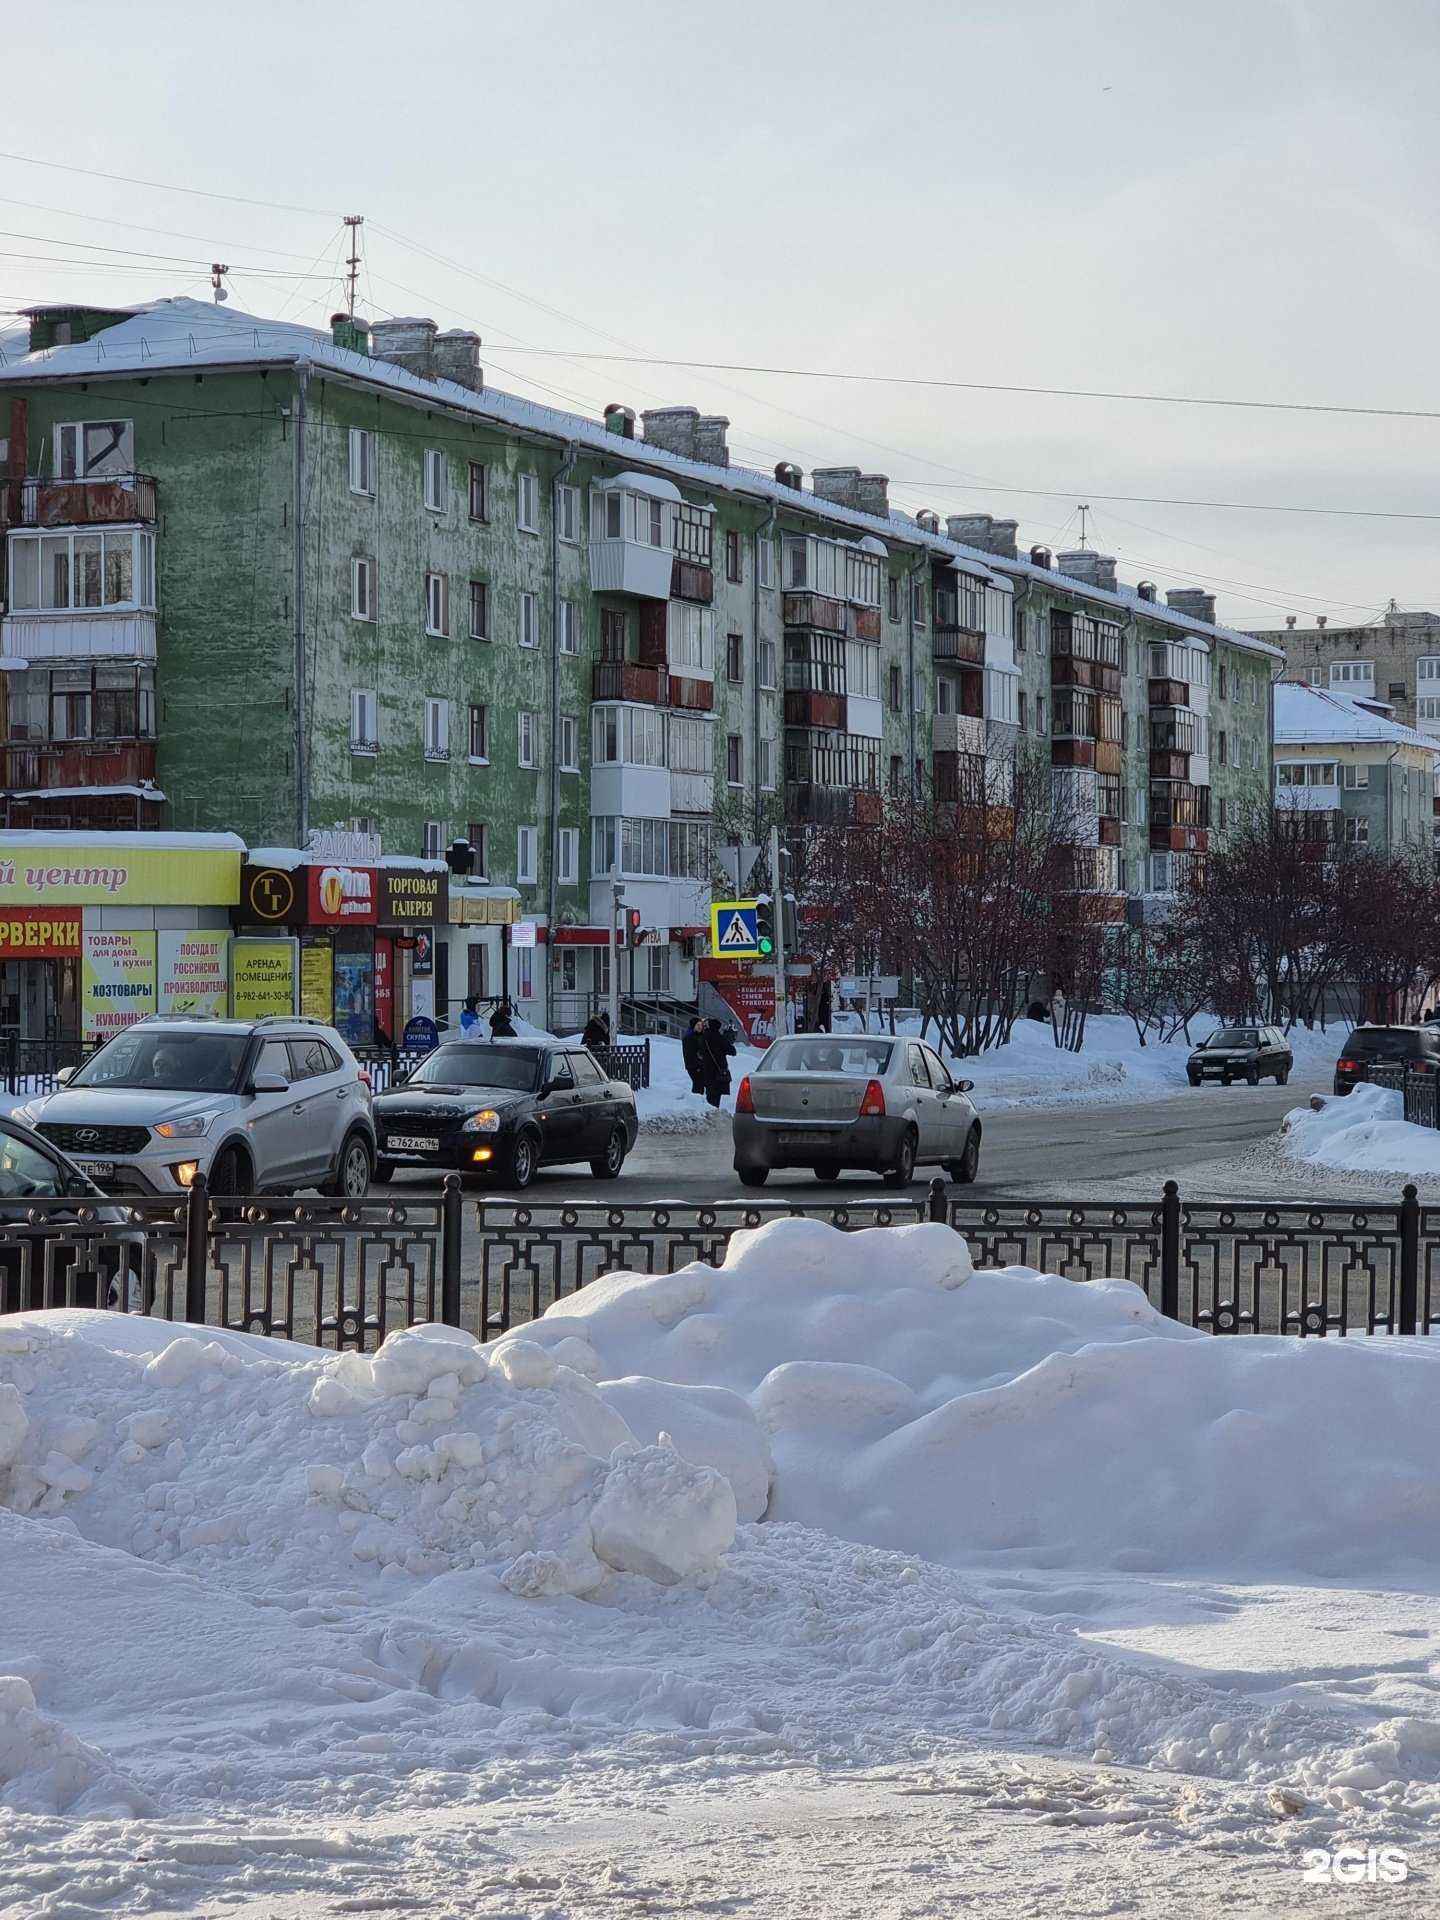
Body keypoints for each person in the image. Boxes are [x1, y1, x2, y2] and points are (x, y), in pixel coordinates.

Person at [698, 1017, 736, 1109]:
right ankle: (715, 1114)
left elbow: (700, 1052)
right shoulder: (719, 1038)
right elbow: (732, 1051)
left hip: (706, 1071)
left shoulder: (703, 1037)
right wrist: (727, 1039)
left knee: (710, 1095)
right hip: (719, 1072)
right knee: (717, 1097)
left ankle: (709, 1114)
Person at [681, 1014, 706, 1094]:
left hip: (700, 1064)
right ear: (693, 1026)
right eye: (697, 1025)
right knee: (698, 1084)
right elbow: (690, 1054)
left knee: (700, 1084)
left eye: (701, 1025)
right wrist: (698, 1064)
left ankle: (697, 1101)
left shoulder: (700, 1035)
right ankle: (695, 1102)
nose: (700, 1027)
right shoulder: (689, 1037)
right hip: (694, 1065)